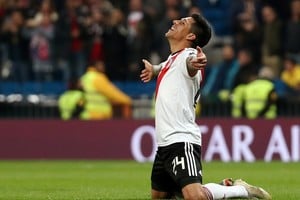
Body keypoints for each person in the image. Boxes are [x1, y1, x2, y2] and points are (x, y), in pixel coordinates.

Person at [140, 13, 271, 199]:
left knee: (196, 197)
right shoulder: (173, 59)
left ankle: (241, 190)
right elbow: (167, 65)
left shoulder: (189, 55)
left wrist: (197, 63)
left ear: (191, 37)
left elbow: (192, 63)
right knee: (162, 197)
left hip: (181, 140)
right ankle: (221, 187)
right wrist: (154, 70)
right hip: (164, 144)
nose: (175, 21)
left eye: (183, 22)